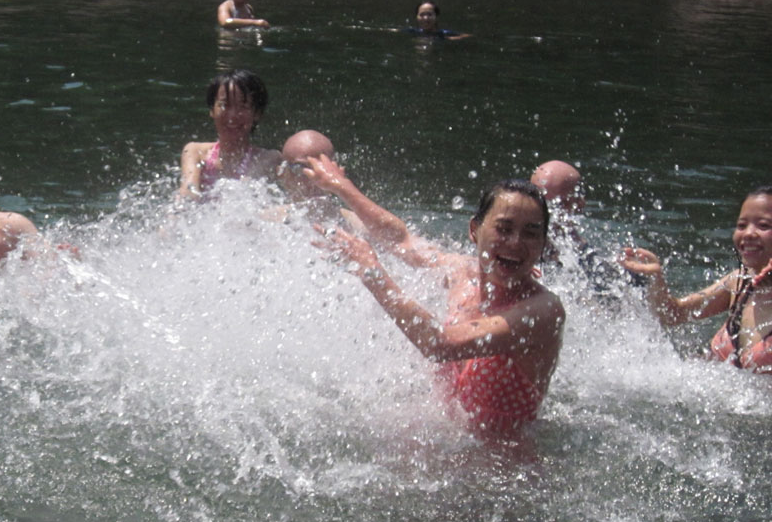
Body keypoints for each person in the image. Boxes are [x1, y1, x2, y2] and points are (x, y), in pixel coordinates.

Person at [306, 157, 565, 432]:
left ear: (543, 244)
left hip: (503, 458)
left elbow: (440, 345)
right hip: (446, 442)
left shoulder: (543, 310)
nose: (515, 243)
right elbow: (401, 240)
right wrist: (341, 186)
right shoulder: (462, 274)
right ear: (475, 230)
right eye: (504, 228)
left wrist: (373, 274)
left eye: (530, 234)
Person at [620, 186, 772, 373]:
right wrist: (655, 278)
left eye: (764, 226)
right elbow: (673, 314)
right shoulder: (738, 282)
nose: (748, 233)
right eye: (741, 225)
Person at [178, 70, 282, 200]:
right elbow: (187, 195)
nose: (232, 116)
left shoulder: (269, 159)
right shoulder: (195, 152)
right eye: (224, 105)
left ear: (257, 113)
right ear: (212, 110)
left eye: (243, 106)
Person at [530, 159, 620, 291]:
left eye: (558, 204)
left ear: (579, 205)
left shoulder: (597, 271)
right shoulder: (511, 254)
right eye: (540, 202)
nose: (547, 211)